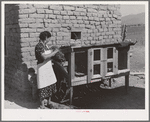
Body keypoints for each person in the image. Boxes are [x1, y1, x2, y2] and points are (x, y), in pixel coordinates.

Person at [35, 31, 59, 109]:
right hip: (42, 68)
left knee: (50, 83)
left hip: (48, 67)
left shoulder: (45, 45)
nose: (49, 39)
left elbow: (48, 54)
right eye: (49, 38)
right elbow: (44, 57)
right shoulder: (39, 46)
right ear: (46, 38)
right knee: (43, 85)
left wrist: (52, 50)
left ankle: (49, 102)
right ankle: (42, 105)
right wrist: (54, 52)